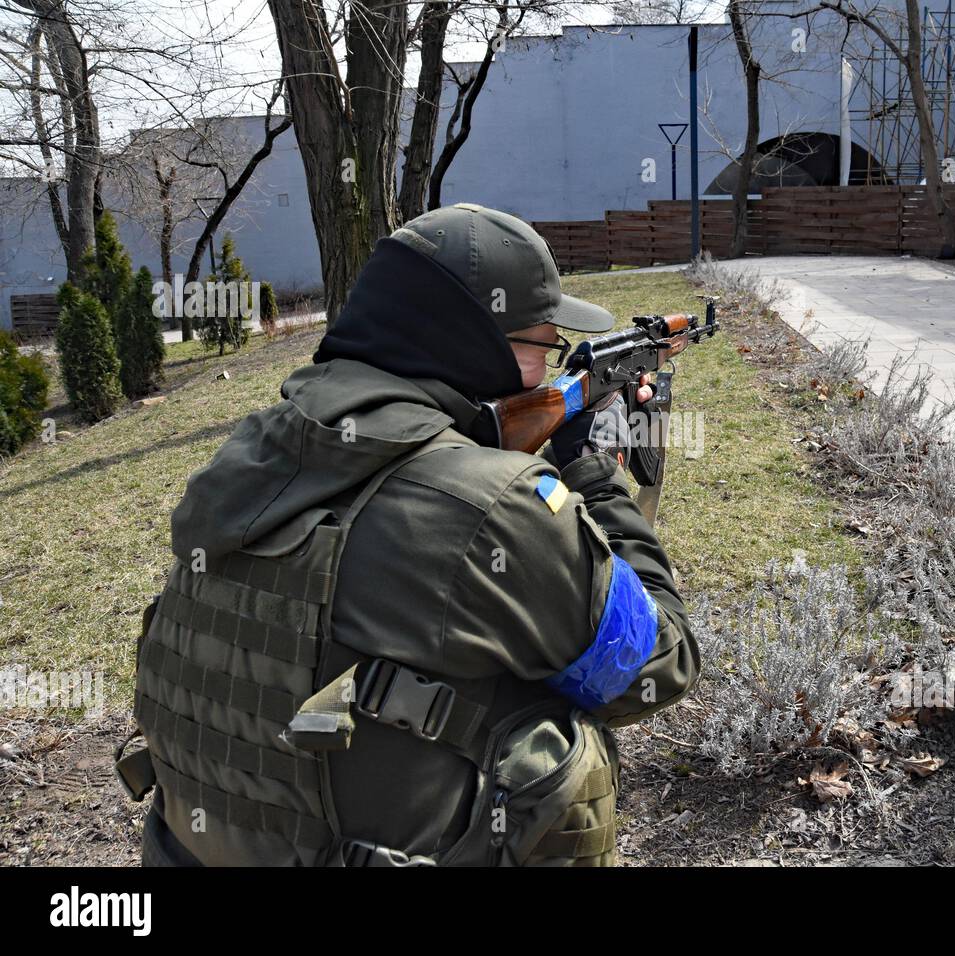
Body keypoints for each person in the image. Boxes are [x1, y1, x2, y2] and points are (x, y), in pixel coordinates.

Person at [118, 203, 699, 866]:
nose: (548, 369)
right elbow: (659, 663)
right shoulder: (494, 506)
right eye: (545, 347)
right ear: (480, 346)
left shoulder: (251, 455)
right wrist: (593, 470)